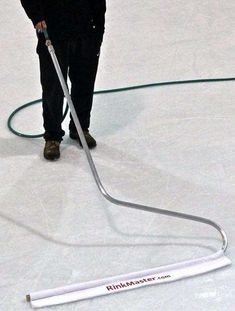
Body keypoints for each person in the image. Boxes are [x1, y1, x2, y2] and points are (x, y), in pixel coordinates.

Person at [20, 0, 106, 160]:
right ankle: (52, 136)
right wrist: (36, 15)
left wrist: (99, 27)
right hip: (53, 30)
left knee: (84, 83)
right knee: (54, 87)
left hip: (85, 29)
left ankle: (80, 128)